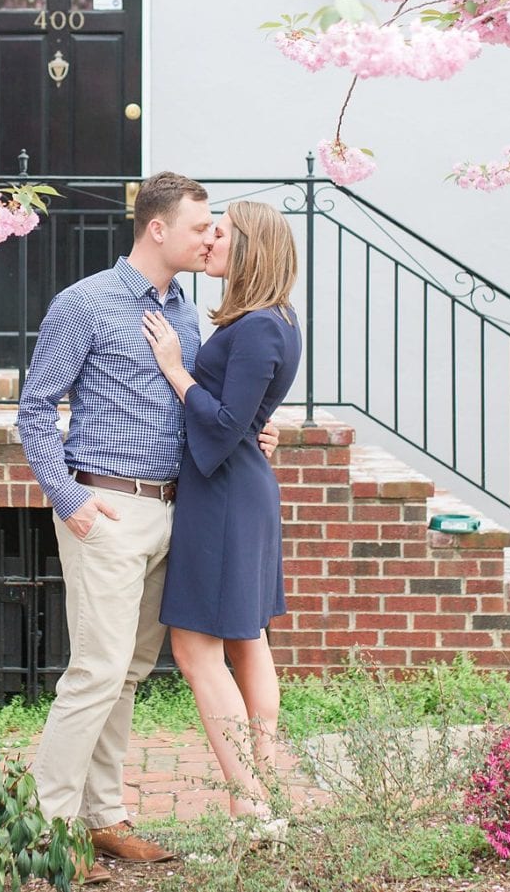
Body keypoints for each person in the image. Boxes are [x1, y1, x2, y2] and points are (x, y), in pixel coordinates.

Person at [17, 172, 280, 884]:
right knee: (96, 671)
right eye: (201, 228)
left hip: (175, 511)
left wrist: (255, 433)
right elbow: (35, 410)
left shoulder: (188, 314)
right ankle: (45, 831)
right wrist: (69, 499)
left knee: (129, 673)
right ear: (157, 228)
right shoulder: (85, 304)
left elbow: (198, 405)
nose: (211, 239)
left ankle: (103, 818)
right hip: (105, 508)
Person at [139, 200, 302, 832]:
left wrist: (177, 371)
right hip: (239, 487)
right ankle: (260, 792)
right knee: (246, 638)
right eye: (207, 230)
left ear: (252, 249)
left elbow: (231, 420)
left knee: (197, 647)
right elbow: (248, 415)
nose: (209, 241)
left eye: (221, 234)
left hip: (226, 496)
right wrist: (257, 427)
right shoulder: (275, 320)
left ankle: (252, 802)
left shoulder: (259, 325)